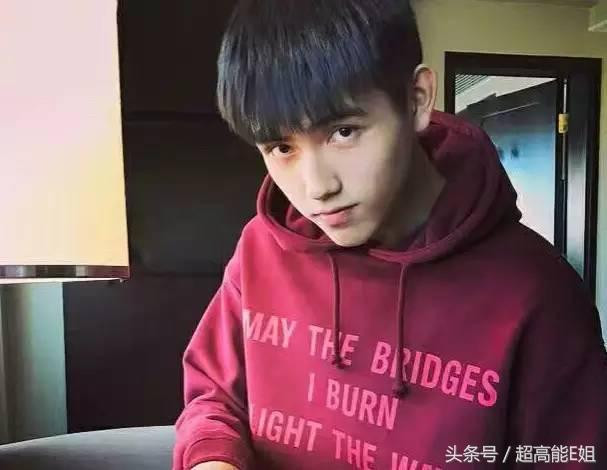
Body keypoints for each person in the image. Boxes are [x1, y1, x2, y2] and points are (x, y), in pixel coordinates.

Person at [172, 1, 607, 469]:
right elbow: (214, 398)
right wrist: (213, 459)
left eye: (343, 132)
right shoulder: (262, 249)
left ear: (416, 99)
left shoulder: (538, 292)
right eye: (281, 147)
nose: (317, 187)